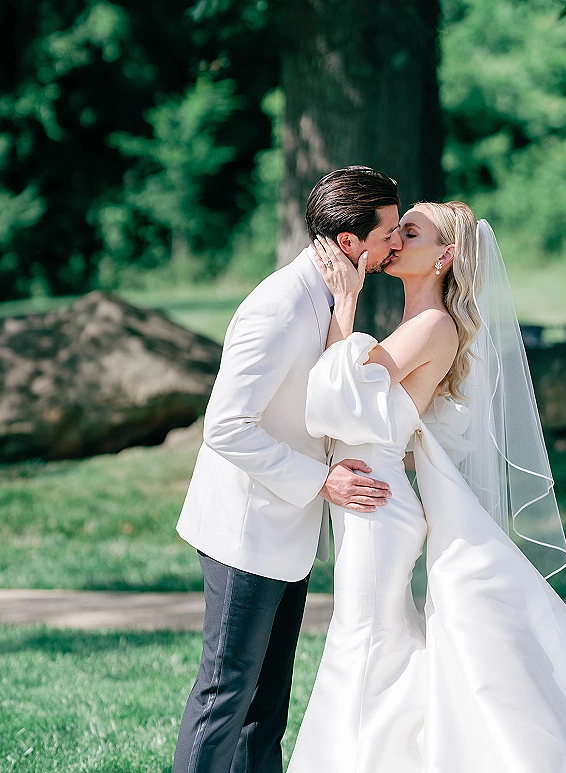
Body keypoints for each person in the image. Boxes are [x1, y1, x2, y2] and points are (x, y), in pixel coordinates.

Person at [287, 201, 566, 772]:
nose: (394, 238)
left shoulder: (432, 326)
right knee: (378, 645)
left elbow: (336, 400)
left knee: (361, 644)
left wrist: (344, 301)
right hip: (372, 501)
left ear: (443, 256)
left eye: (410, 231)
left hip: (377, 509)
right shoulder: (414, 324)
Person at [173, 166, 400, 773]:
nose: (396, 245)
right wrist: (321, 482)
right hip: (244, 534)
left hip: (289, 532)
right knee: (227, 695)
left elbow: (319, 401)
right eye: (388, 235)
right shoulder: (278, 305)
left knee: (267, 710)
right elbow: (223, 425)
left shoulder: (327, 297)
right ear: (350, 243)